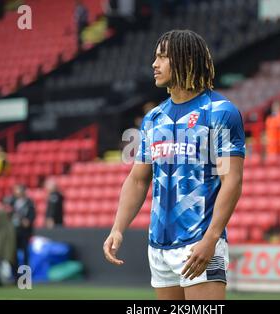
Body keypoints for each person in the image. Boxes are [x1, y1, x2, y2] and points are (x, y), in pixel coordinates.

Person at [103, 30, 245, 300]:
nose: (154, 64)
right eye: (155, 57)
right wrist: (118, 229)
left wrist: (211, 239)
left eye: (163, 57)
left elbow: (233, 180)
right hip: (158, 247)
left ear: (186, 59)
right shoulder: (153, 119)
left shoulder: (221, 112)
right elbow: (137, 179)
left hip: (200, 242)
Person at [8, 184, 36, 275]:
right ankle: (15, 276)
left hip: (24, 233)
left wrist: (26, 220)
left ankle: (25, 277)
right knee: (13, 254)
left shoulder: (29, 203)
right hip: (13, 233)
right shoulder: (12, 203)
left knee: (25, 254)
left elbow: (29, 220)